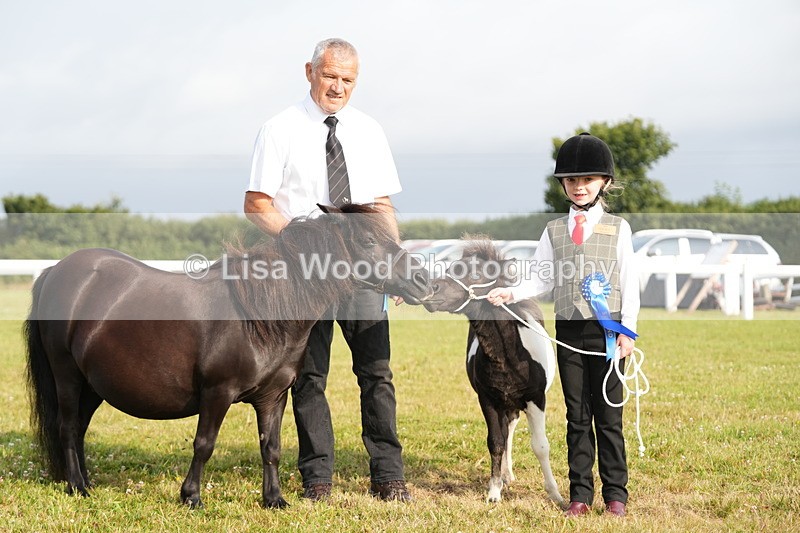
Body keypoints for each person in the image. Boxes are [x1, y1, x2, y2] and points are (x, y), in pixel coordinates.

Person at [244, 38, 411, 502]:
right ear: (309, 72)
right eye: (330, 76)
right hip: (306, 275)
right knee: (308, 378)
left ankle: (389, 475)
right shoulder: (279, 128)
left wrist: (393, 262)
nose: (337, 87)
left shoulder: (369, 131)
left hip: (363, 276)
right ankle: (317, 478)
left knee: (377, 373)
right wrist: (301, 241)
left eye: (347, 79)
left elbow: (380, 204)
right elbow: (257, 204)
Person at [487, 132, 640, 518]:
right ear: (563, 185)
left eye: (587, 179)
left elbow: (629, 281)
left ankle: (616, 495)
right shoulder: (554, 230)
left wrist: (628, 331)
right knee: (576, 414)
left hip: (608, 334)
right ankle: (580, 494)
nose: (579, 186)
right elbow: (540, 277)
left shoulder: (619, 229)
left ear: (603, 182)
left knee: (608, 416)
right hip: (569, 334)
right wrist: (511, 291)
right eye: (572, 180)